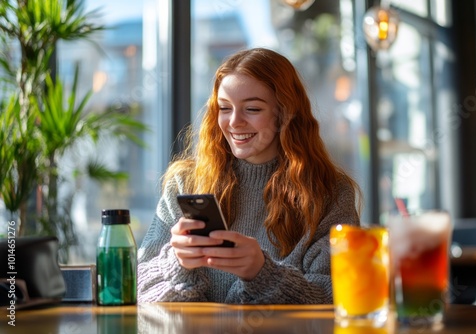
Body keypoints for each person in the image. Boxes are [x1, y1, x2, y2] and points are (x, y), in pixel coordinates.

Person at [137, 47, 361, 304]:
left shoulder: (329, 192)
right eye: (224, 108)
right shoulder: (185, 182)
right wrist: (177, 263)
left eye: (252, 109)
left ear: (285, 113)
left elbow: (341, 293)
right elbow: (137, 286)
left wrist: (262, 273)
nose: (234, 122)